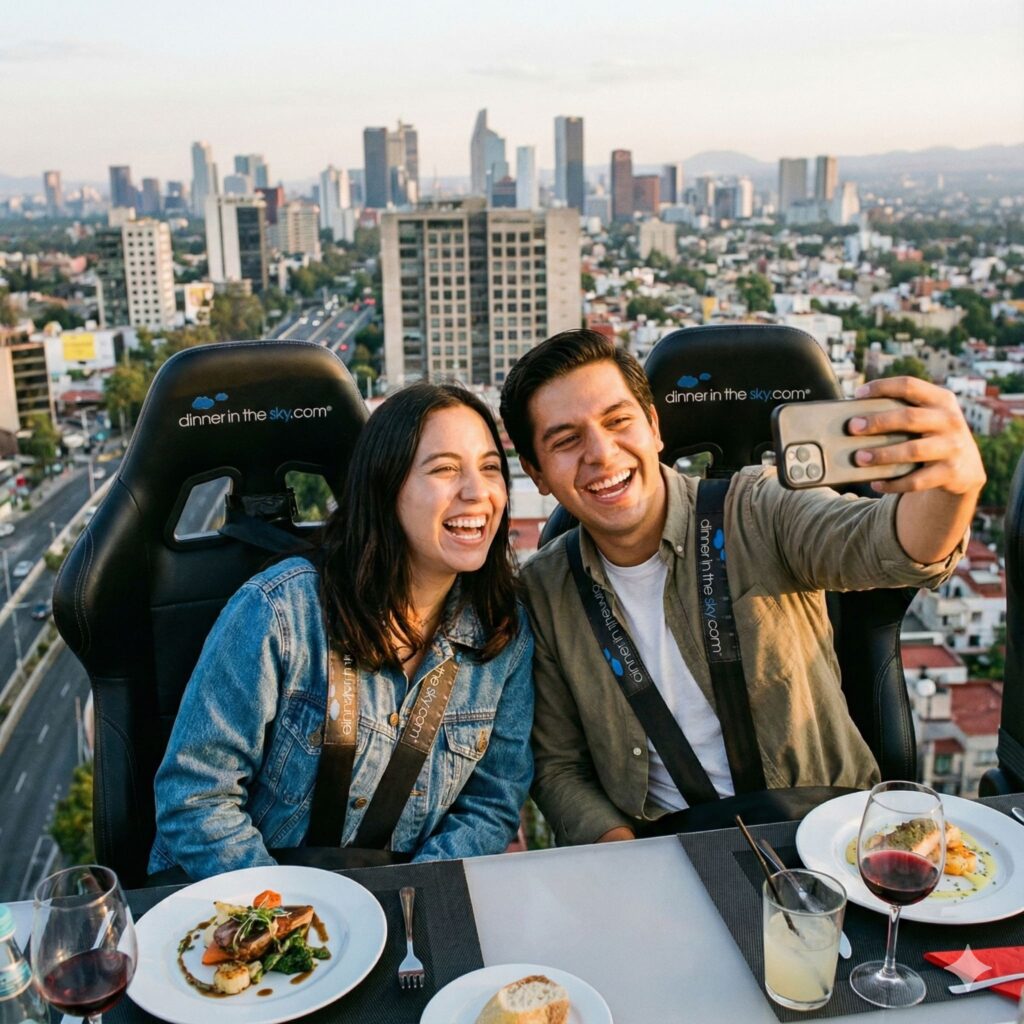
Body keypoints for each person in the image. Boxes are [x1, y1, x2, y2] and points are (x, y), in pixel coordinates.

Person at [499, 329, 985, 847]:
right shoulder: (544, 592)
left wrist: (952, 485)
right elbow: (559, 766)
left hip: (826, 836)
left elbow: (888, 544)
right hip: (668, 848)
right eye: (567, 440)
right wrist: (626, 860)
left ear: (654, 427)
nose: (601, 452)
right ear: (537, 473)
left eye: (619, 421)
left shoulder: (759, 505)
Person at [149, 382, 534, 880]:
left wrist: (409, 904)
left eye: (489, 468)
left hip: (403, 898)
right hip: (251, 902)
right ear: (385, 487)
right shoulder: (280, 613)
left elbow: (492, 804)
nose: (477, 492)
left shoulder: (502, 632)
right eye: (444, 469)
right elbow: (196, 796)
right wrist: (290, 922)